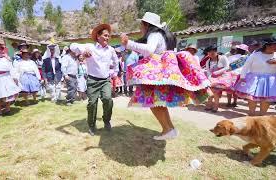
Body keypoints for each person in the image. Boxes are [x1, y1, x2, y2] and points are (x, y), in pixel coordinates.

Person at [121, 12, 210, 140]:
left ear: (146, 25)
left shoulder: (154, 35)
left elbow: (149, 50)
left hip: (156, 75)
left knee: (153, 103)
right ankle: (169, 129)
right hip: (160, 75)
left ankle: (167, 129)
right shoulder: (161, 36)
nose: (140, 28)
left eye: (141, 25)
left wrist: (128, 43)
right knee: (159, 103)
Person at [70, 23, 119, 136]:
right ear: (98, 36)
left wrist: (115, 73)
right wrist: (84, 51)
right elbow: (72, 46)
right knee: (92, 103)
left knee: (108, 100)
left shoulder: (111, 50)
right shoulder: (90, 47)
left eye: (108, 36)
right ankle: (92, 125)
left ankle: (106, 120)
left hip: (105, 80)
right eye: (105, 35)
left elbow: (116, 62)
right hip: (92, 81)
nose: (107, 38)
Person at [235, 37, 276, 116]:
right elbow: (246, 66)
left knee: (266, 99)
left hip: (271, 81)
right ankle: (251, 114)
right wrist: (242, 77)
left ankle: (262, 116)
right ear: (267, 46)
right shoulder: (255, 55)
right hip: (254, 79)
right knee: (252, 98)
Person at [204, 45, 237, 112]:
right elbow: (208, 71)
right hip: (213, 78)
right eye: (209, 53)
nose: (211, 54)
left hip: (223, 77)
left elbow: (227, 67)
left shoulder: (223, 58)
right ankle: (211, 104)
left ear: (216, 52)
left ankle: (215, 106)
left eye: (213, 52)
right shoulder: (208, 61)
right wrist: (209, 79)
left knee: (214, 91)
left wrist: (217, 72)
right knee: (210, 90)